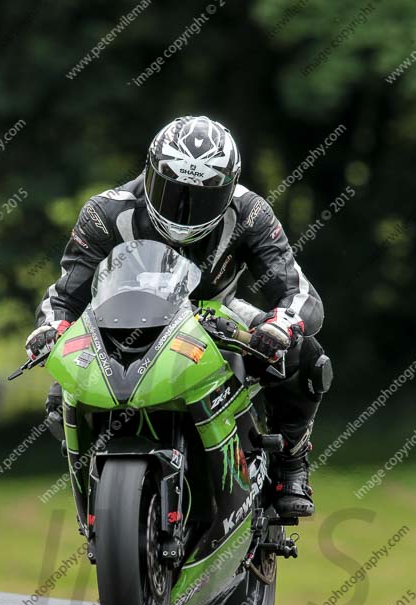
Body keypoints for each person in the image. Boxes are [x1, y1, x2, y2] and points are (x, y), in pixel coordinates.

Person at [26, 115, 332, 517]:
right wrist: (50, 328)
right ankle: (100, 491)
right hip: (125, 321)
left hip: (218, 313)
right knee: (57, 396)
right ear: (150, 173)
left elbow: (297, 290)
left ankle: (291, 462)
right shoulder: (105, 211)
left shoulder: (251, 212)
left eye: (201, 198)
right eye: (172, 191)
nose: (184, 208)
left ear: (226, 191)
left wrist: (283, 324)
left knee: (305, 357)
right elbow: (63, 294)